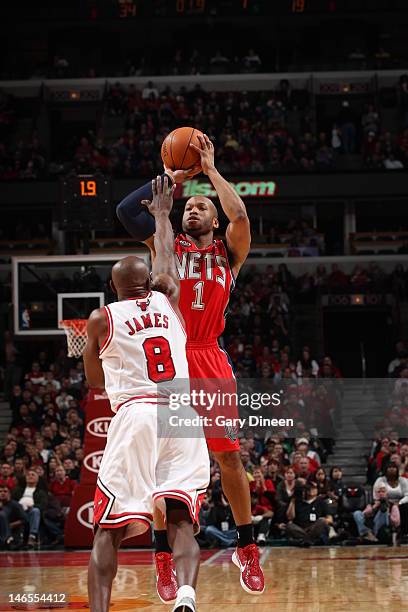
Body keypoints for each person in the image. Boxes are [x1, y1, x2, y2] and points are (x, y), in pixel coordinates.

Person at [116, 134, 264, 596]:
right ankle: (162, 554)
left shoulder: (229, 252)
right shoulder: (167, 245)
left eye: (201, 208)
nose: (191, 210)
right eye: (187, 208)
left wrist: (211, 171)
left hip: (210, 355)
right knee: (165, 466)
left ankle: (247, 547)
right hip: (172, 360)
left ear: (215, 219)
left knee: (229, 455)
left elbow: (240, 214)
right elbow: (125, 210)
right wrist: (175, 179)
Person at [84, 177, 210, 612]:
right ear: (150, 282)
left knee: (107, 528)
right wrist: (161, 215)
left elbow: (96, 383)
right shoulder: (169, 297)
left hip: (137, 414)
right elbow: (167, 256)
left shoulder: (101, 318)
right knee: (180, 522)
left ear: (113, 285)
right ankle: (187, 597)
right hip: (183, 415)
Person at [12, 469, 48, 549]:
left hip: (31, 512)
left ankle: (31, 537)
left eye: (33, 475)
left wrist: (32, 506)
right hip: (18, 512)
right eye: (28, 475)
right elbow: (12, 501)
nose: (30, 476)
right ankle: (18, 539)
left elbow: (43, 505)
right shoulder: (17, 490)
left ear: (37, 479)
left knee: (35, 510)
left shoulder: (41, 492)